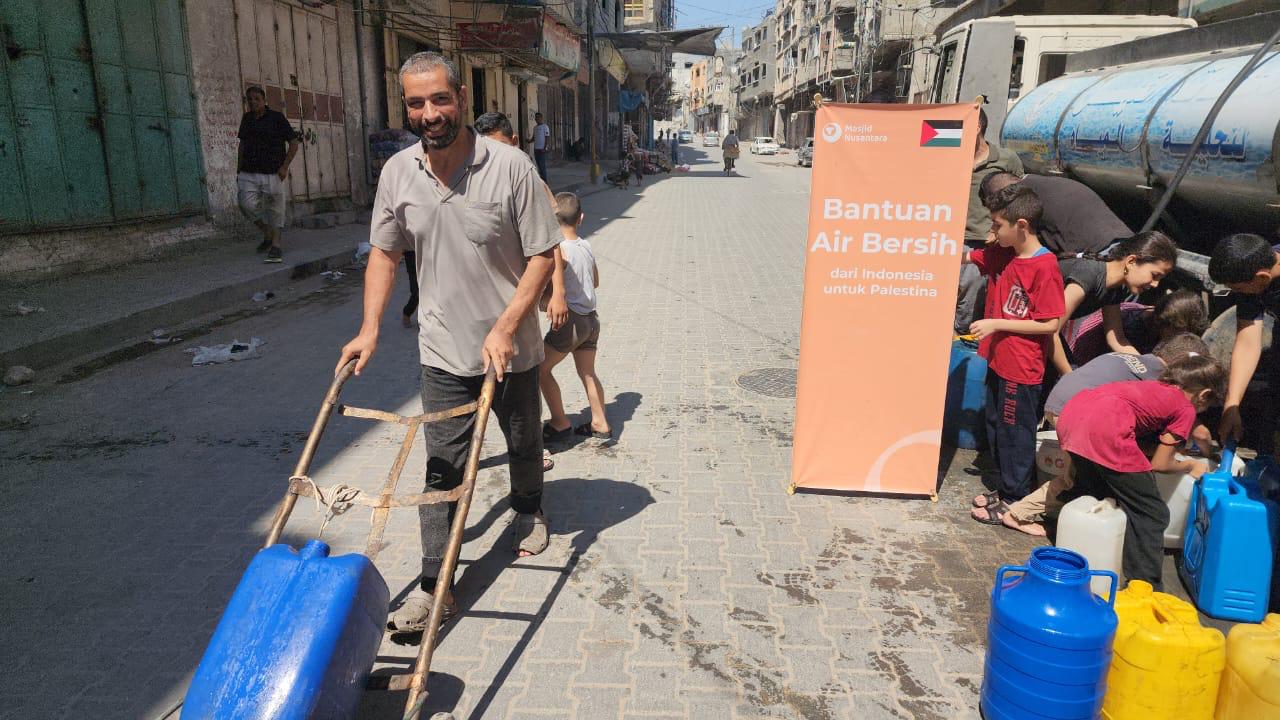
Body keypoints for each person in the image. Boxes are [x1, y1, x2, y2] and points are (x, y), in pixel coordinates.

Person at [337, 52, 561, 632]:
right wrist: (370, 329)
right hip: (440, 348)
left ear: (460, 97)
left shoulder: (512, 168)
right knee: (442, 468)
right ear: (406, 106)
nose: (429, 113)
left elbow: (542, 254)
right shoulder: (397, 173)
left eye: (439, 99)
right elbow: (385, 254)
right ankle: (436, 587)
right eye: (416, 102)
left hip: (510, 345)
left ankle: (528, 508)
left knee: (521, 440)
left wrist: (508, 325)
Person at [995, 332, 1213, 536]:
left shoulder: (1135, 358)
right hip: (1078, 412)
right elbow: (1200, 432)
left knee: (1086, 474)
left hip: (1060, 403)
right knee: (1076, 479)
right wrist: (1209, 455)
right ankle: (1019, 514)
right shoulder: (1161, 380)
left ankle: (1046, 513)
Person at [1056, 354, 1227, 590]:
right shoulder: (1185, 407)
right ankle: (1145, 586)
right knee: (1152, 513)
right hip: (1105, 429)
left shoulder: (1153, 387)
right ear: (1205, 395)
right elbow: (1161, 464)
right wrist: (1189, 465)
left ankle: (1084, 563)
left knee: (1103, 496)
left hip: (1072, 416)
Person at [965, 186, 1066, 525]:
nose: (991, 234)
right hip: (998, 360)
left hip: (1021, 368)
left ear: (1021, 224)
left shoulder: (1044, 266)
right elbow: (965, 255)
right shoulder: (1002, 253)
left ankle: (1016, 500)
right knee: (995, 426)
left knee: (1015, 433)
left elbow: (1051, 323)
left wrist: (997, 323)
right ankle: (1005, 487)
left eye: (996, 226)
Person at [1049, 231, 1178, 375]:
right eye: (1154, 275)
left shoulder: (1115, 289)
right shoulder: (1089, 274)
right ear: (1131, 261)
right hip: (1029, 326)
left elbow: (1116, 338)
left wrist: (1149, 369)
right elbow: (1050, 329)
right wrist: (1069, 376)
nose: (1155, 284)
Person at [539, 192, 611, 445]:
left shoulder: (559, 250)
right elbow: (597, 281)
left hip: (572, 323)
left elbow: (548, 289)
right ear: (581, 218)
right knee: (588, 372)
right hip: (592, 320)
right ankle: (600, 423)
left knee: (540, 369)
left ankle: (559, 422)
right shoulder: (585, 245)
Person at [1208, 233, 1280, 451]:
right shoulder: (1257, 265)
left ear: (1262, 278)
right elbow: (1248, 339)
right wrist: (1232, 403)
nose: (1237, 293)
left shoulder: (1256, 277)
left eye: (1237, 288)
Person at [956, 108, 1024, 333]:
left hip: (981, 241)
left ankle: (961, 342)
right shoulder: (950, 154)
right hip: (950, 238)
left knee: (970, 299)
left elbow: (1019, 197)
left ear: (977, 128)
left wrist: (998, 232)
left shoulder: (1006, 159)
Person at [980, 171, 1132, 257]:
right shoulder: (1043, 183)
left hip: (1098, 253)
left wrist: (996, 233)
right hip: (1124, 242)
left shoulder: (1022, 198)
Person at [237, 86, 300, 264]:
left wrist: (284, 166)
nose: (253, 102)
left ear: (264, 100)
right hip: (248, 172)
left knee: (275, 209)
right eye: (249, 99)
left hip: (273, 172)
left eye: (256, 98)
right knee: (245, 204)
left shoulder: (277, 118)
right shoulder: (247, 119)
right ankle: (267, 231)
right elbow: (242, 145)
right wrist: (238, 169)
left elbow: (294, 143)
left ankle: (276, 245)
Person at [1065, 288, 1208, 366]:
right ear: (1167, 326)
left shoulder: (1153, 316)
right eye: (1180, 332)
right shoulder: (1132, 330)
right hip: (1081, 359)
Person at [528, 112, 551, 182]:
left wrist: (544, 148)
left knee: (542, 166)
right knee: (538, 165)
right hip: (536, 149)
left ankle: (545, 181)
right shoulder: (535, 128)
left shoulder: (545, 127)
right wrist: (529, 141)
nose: (537, 119)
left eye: (538, 117)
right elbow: (533, 138)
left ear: (541, 118)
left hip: (541, 149)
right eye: (536, 117)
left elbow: (547, 138)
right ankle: (541, 180)